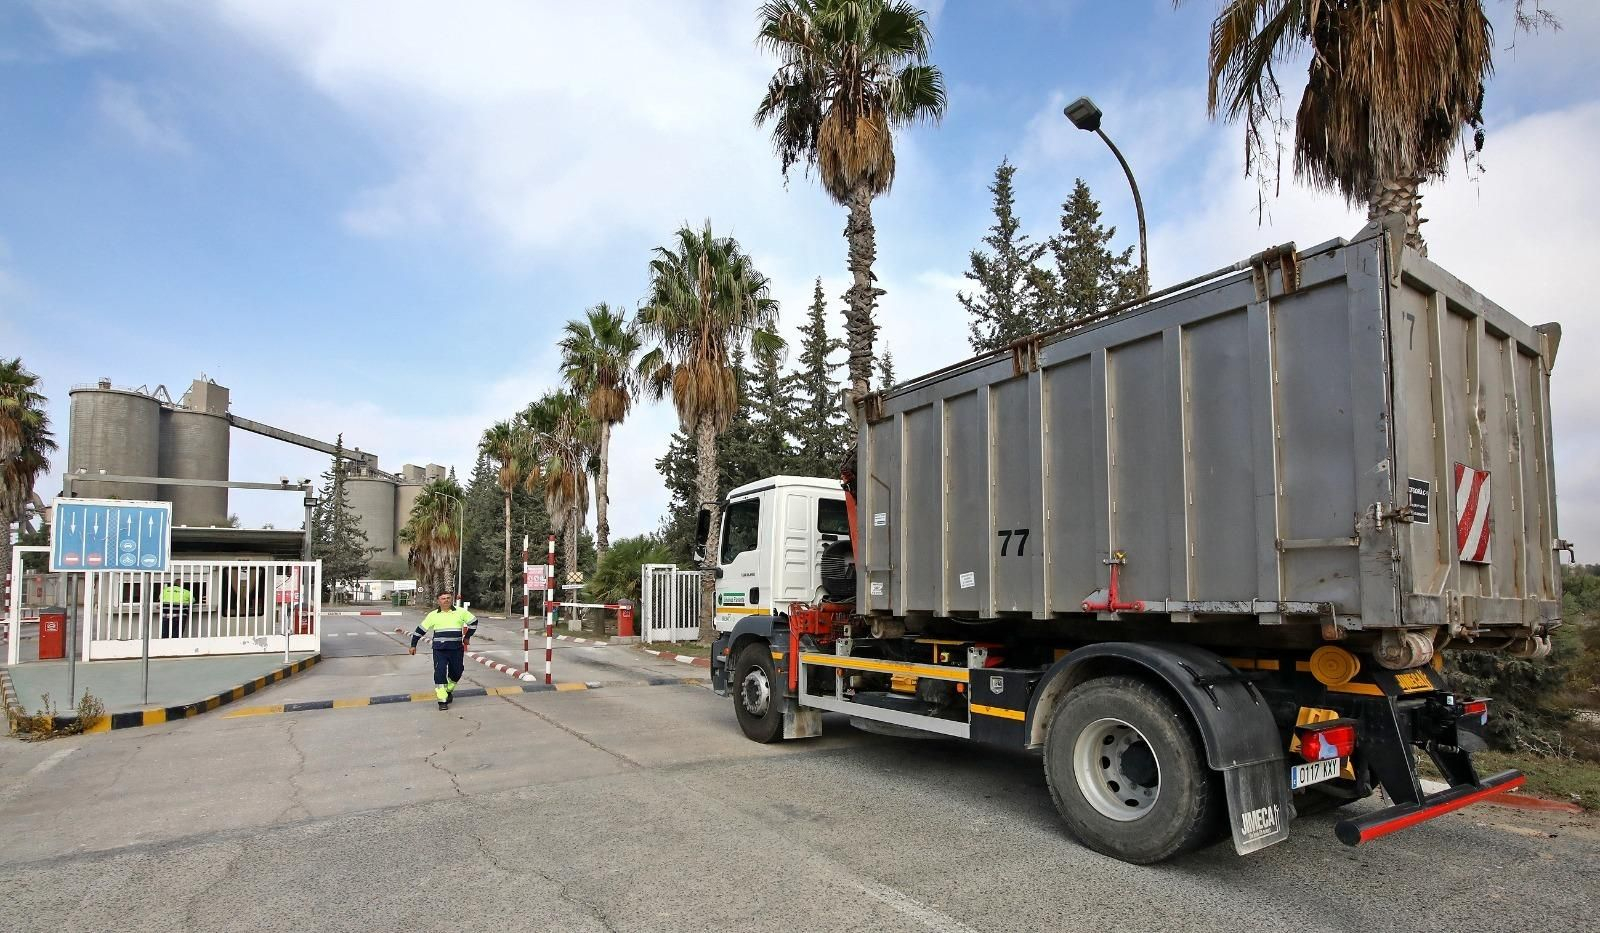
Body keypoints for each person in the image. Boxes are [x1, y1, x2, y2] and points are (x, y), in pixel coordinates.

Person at [408, 590, 477, 710]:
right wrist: (413, 645)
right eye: (443, 598)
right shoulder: (433, 615)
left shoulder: (461, 612)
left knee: (457, 671)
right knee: (440, 673)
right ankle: (442, 700)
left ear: (452, 599)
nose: (446, 600)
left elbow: (473, 622)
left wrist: (467, 637)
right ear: (438, 601)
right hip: (439, 650)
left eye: (448, 598)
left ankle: (448, 690)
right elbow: (420, 630)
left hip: (456, 649)